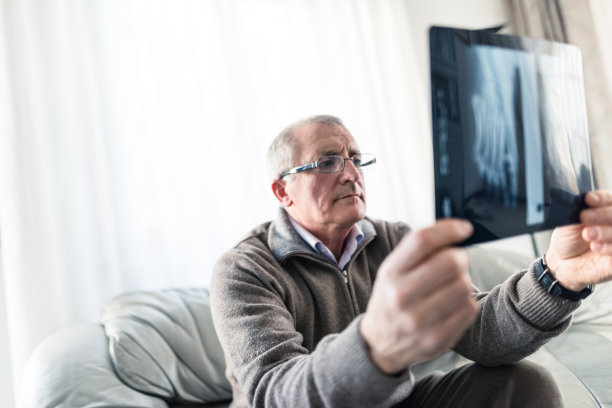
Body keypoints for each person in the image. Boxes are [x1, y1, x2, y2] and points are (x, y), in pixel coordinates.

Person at [210, 115, 612, 407]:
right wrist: (374, 346)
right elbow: (275, 393)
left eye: (355, 158)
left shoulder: (395, 240)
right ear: (283, 191)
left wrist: (557, 277)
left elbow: (478, 330)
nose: (351, 173)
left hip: (390, 402)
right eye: (327, 161)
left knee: (524, 383)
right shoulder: (243, 270)